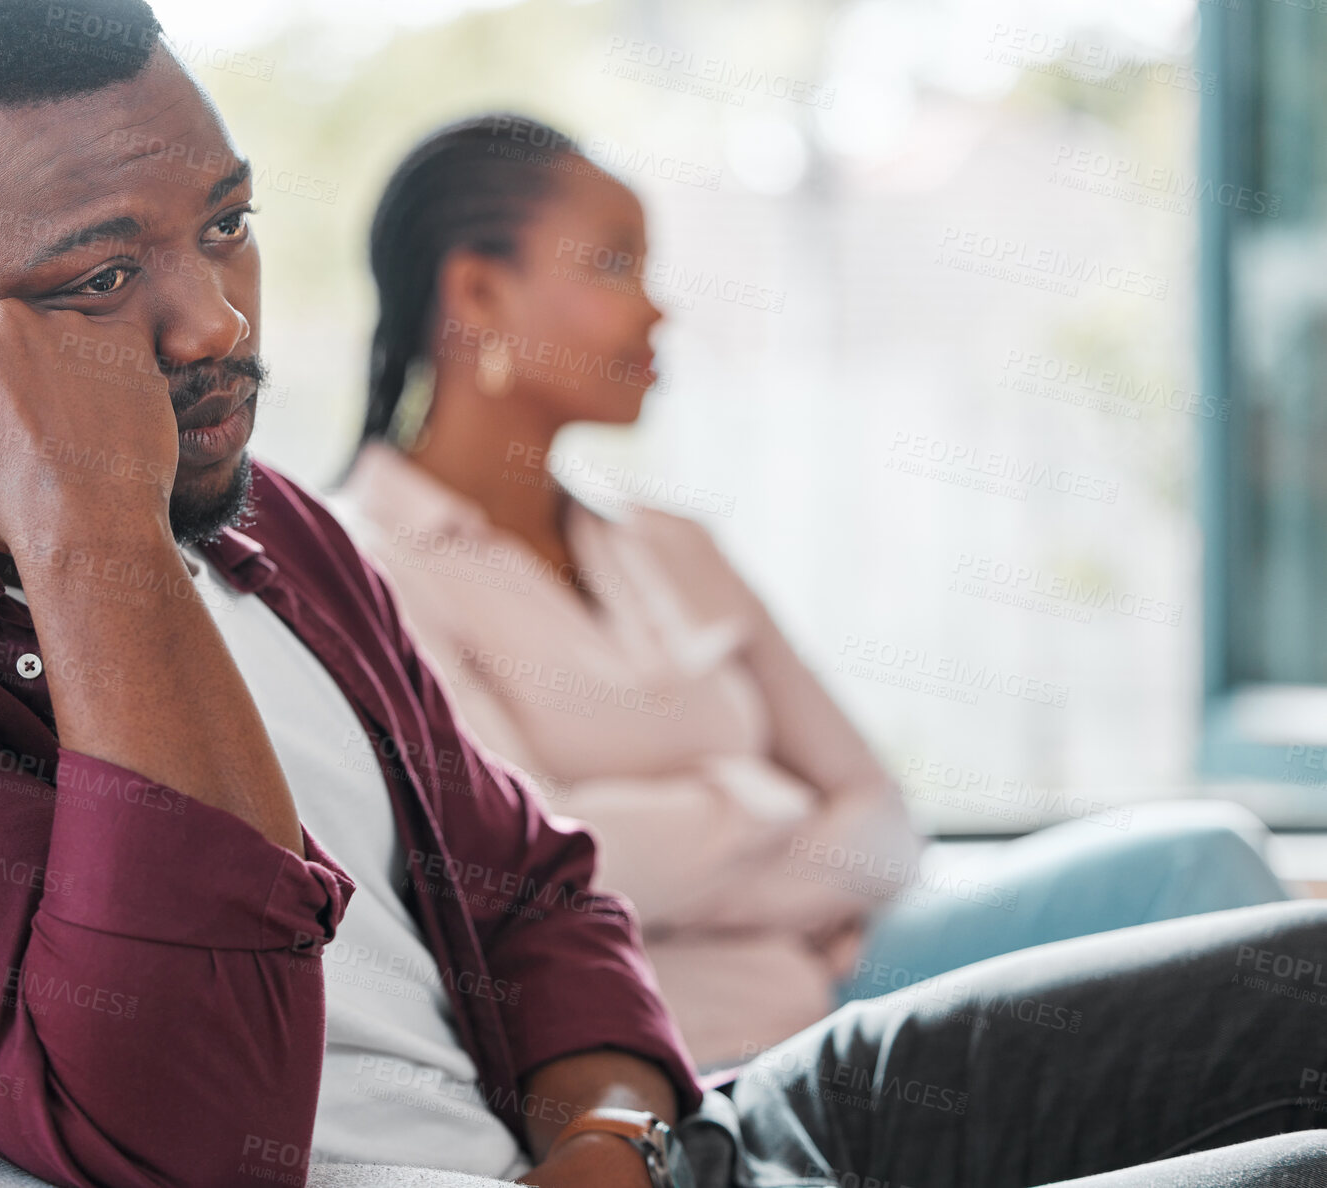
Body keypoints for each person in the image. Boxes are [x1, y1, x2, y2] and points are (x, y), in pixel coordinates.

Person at [0, 5, 1323, 1187]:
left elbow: (535, 890)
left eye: (225, 227)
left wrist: (606, 1136)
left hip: (715, 1132)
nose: (216, 321)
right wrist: (89, 541)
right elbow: (181, 1113)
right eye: (101, 278)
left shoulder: (273, 523)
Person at [331, 115, 1291, 1068]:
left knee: (1201, 860)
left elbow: (877, 810)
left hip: (865, 967)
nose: (656, 312)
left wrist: (698, 845)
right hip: (696, 1040)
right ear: (480, 292)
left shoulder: (671, 544)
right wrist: (770, 813)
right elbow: (529, 873)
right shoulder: (367, 566)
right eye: (615, 266)